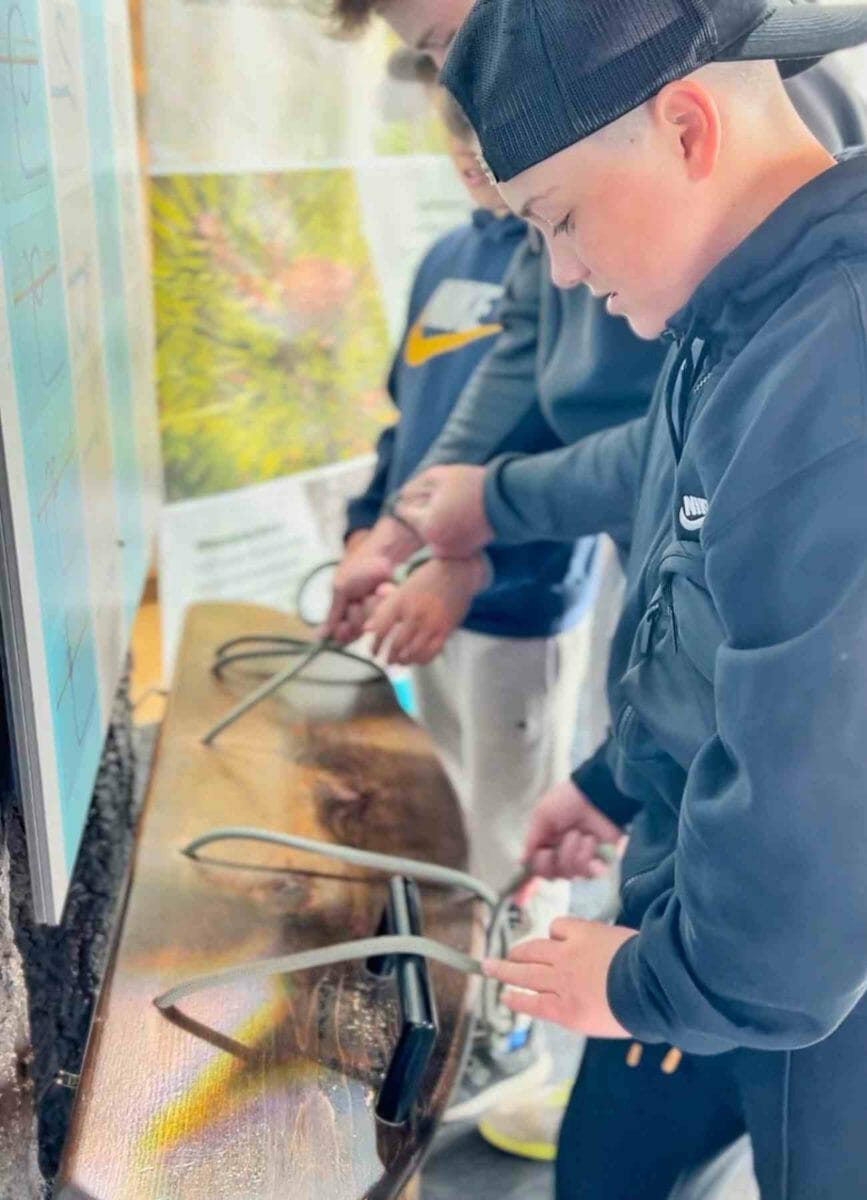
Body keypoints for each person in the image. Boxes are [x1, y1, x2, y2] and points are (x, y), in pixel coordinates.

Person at [320, 0, 867, 1162]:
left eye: (561, 222)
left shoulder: (838, 370)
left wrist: (650, 985)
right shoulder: (734, 319)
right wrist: (613, 780)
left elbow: (823, 798)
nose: (561, 275)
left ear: (684, 129)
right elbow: (688, 566)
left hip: (805, 984)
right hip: (700, 911)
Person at [341, 81, 600, 1119]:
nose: (467, 161)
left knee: (517, 832)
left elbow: (572, 446)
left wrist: (479, 559)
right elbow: (410, 422)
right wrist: (371, 524)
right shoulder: (446, 260)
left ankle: (514, 1033)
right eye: (454, 142)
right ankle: (463, 999)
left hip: (516, 598)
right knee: (447, 812)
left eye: (485, 145)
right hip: (422, 594)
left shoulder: (568, 263)